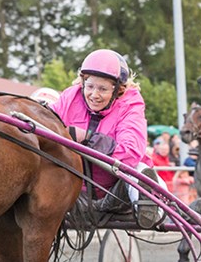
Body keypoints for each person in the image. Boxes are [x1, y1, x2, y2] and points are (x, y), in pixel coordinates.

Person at [51, 48, 162, 228]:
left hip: (115, 191)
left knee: (139, 171)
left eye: (102, 89)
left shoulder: (130, 104)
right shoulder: (69, 97)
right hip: (73, 189)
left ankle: (150, 207)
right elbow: (46, 123)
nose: (94, 95)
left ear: (118, 89)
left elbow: (130, 153)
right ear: (83, 83)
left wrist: (87, 138)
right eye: (90, 86)